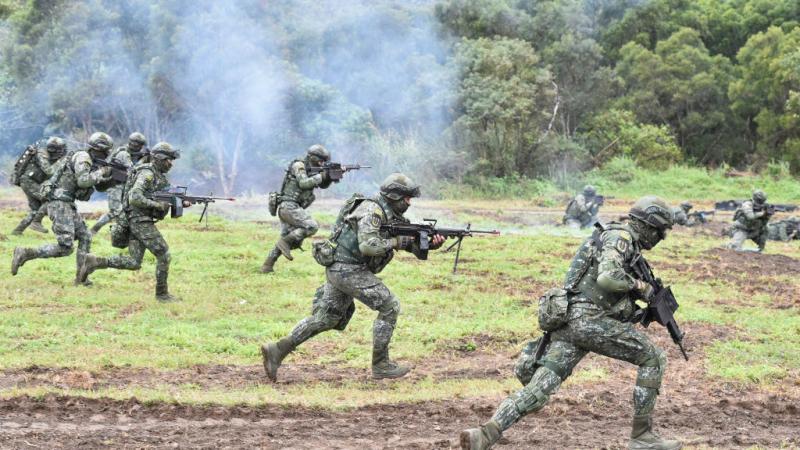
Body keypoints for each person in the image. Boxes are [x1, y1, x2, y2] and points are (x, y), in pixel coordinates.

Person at [460, 196, 680, 450]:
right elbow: (607, 278)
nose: (662, 237)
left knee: (542, 386)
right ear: (649, 225)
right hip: (589, 321)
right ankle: (642, 437)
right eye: (661, 230)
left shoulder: (616, 238)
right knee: (654, 358)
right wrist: (640, 287)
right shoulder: (621, 238)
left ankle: (484, 435)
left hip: (570, 321)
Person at [260, 173, 446, 380]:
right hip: (347, 269)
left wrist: (429, 244)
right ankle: (381, 364)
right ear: (394, 196)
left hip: (342, 268)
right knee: (389, 306)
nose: (409, 203)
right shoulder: (372, 211)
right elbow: (368, 246)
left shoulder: (390, 213)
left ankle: (276, 350)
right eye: (407, 198)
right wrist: (397, 242)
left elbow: (409, 244)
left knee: (326, 318)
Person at [78, 143, 186, 302]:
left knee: (134, 262)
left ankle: (94, 262)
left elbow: (167, 192)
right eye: (169, 160)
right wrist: (157, 205)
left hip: (136, 220)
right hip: (139, 221)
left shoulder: (157, 175)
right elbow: (134, 197)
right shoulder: (147, 174)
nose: (171, 164)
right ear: (159, 159)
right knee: (164, 254)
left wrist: (182, 201)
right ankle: (162, 294)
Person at [11, 132, 114, 284]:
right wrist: (102, 172)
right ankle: (25, 253)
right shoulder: (83, 158)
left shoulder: (88, 160)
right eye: (107, 151)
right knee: (66, 247)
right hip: (59, 204)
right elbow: (84, 181)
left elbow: (87, 188)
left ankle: (81, 278)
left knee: (85, 236)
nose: (107, 154)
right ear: (101, 149)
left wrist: (109, 179)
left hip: (66, 203)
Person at [261, 144, 334, 273]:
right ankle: (284, 243)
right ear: (312, 157)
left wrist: (331, 176)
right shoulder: (299, 166)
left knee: (286, 238)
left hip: (291, 208)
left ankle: (267, 266)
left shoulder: (311, 167)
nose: (322, 163)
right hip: (289, 206)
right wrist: (322, 176)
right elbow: (304, 183)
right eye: (320, 160)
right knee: (311, 226)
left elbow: (322, 185)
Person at [91, 132, 148, 235]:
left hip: (122, 185)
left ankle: (119, 232)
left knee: (123, 211)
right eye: (138, 145)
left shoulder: (129, 152)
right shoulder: (123, 153)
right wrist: (143, 160)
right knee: (116, 211)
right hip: (115, 185)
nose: (139, 147)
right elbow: (133, 170)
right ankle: (94, 229)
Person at [11, 137, 67, 235]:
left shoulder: (50, 153)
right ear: (54, 149)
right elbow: (50, 171)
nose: (62, 152)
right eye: (60, 150)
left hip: (31, 181)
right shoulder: (42, 154)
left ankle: (17, 231)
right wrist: (62, 161)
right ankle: (36, 222)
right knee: (51, 198)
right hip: (28, 181)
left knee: (36, 209)